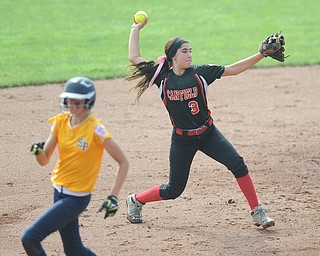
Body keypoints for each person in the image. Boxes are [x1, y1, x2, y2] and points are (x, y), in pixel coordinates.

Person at [125, 18, 279, 229]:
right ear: (173, 57)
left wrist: (261, 54)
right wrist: (135, 29)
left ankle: (257, 211)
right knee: (174, 190)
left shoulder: (201, 73)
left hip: (208, 134)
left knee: (238, 164)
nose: (189, 55)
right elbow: (134, 57)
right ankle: (136, 200)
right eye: (184, 51)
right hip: (182, 140)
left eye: (190, 51)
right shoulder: (161, 77)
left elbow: (233, 69)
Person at [21, 77, 129, 255]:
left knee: (30, 238)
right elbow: (44, 160)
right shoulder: (60, 122)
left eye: (76, 102)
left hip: (76, 198)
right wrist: (37, 152)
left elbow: (123, 162)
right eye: (69, 100)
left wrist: (113, 197)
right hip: (59, 191)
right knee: (73, 249)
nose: (71, 105)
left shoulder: (96, 130)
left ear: (88, 102)